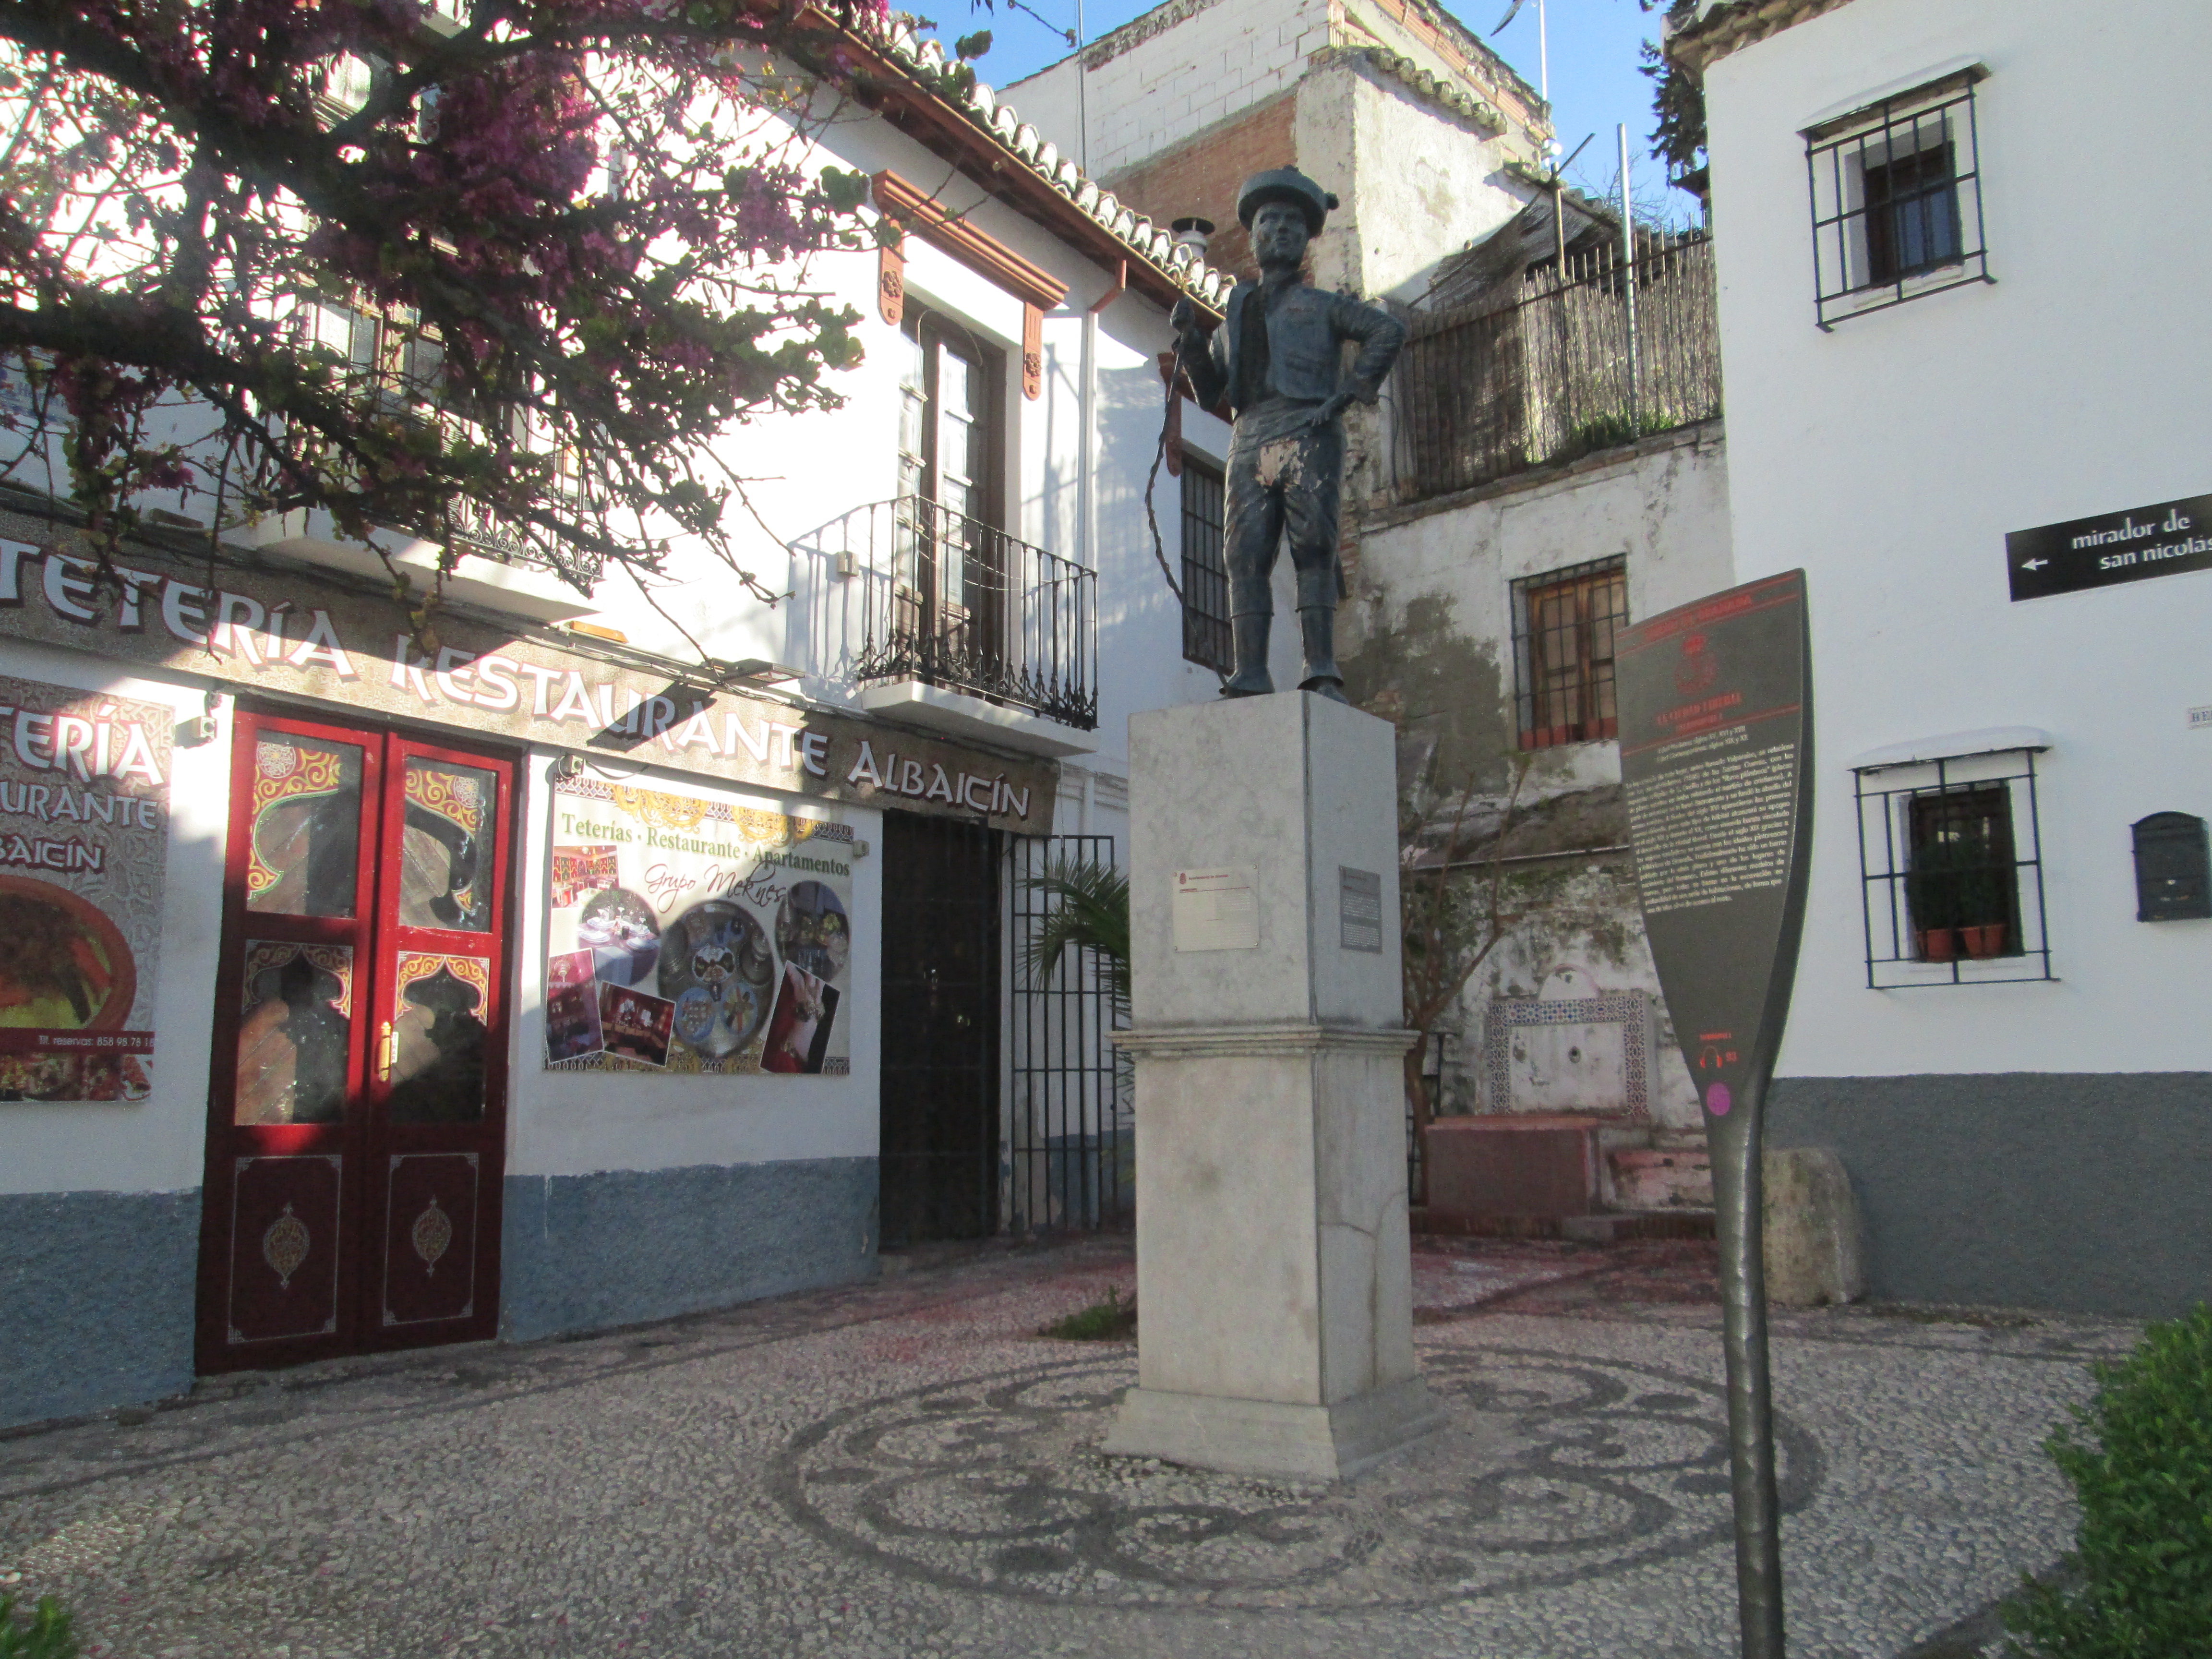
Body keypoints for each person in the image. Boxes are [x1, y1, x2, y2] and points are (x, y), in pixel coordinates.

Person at [1170, 167, 1407, 700]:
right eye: (1268, 221)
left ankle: (1320, 667)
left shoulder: (1323, 307)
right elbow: (1211, 394)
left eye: (1291, 224)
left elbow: (1387, 329)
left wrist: (1352, 390)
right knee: (1244, 554)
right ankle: (1251, 669)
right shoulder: (1235, 318)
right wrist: (1188, 342)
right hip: (1251, 434)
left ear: (1305, 241)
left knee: (1314, 548)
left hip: (1308, 428)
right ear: (1252, 236)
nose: (1278, 231)